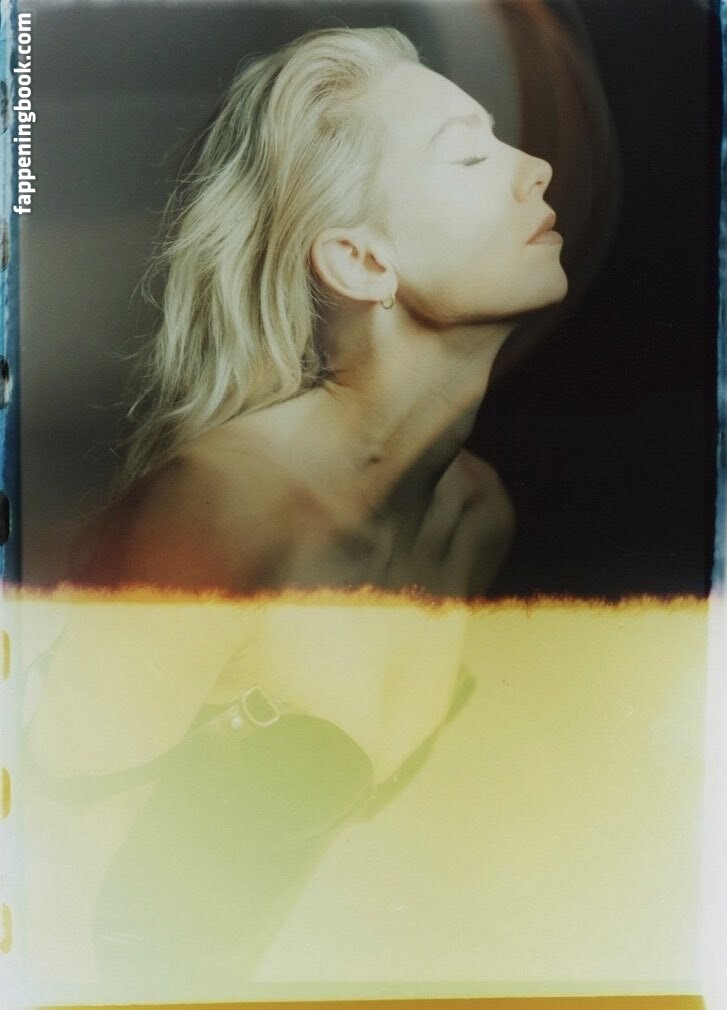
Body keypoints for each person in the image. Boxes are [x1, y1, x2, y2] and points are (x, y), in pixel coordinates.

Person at [23, 25, 567, 999]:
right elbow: (47, 860)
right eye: (469, 156)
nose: (535, 168)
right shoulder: (228, 500)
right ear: (359, 260)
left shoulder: (472, 517)